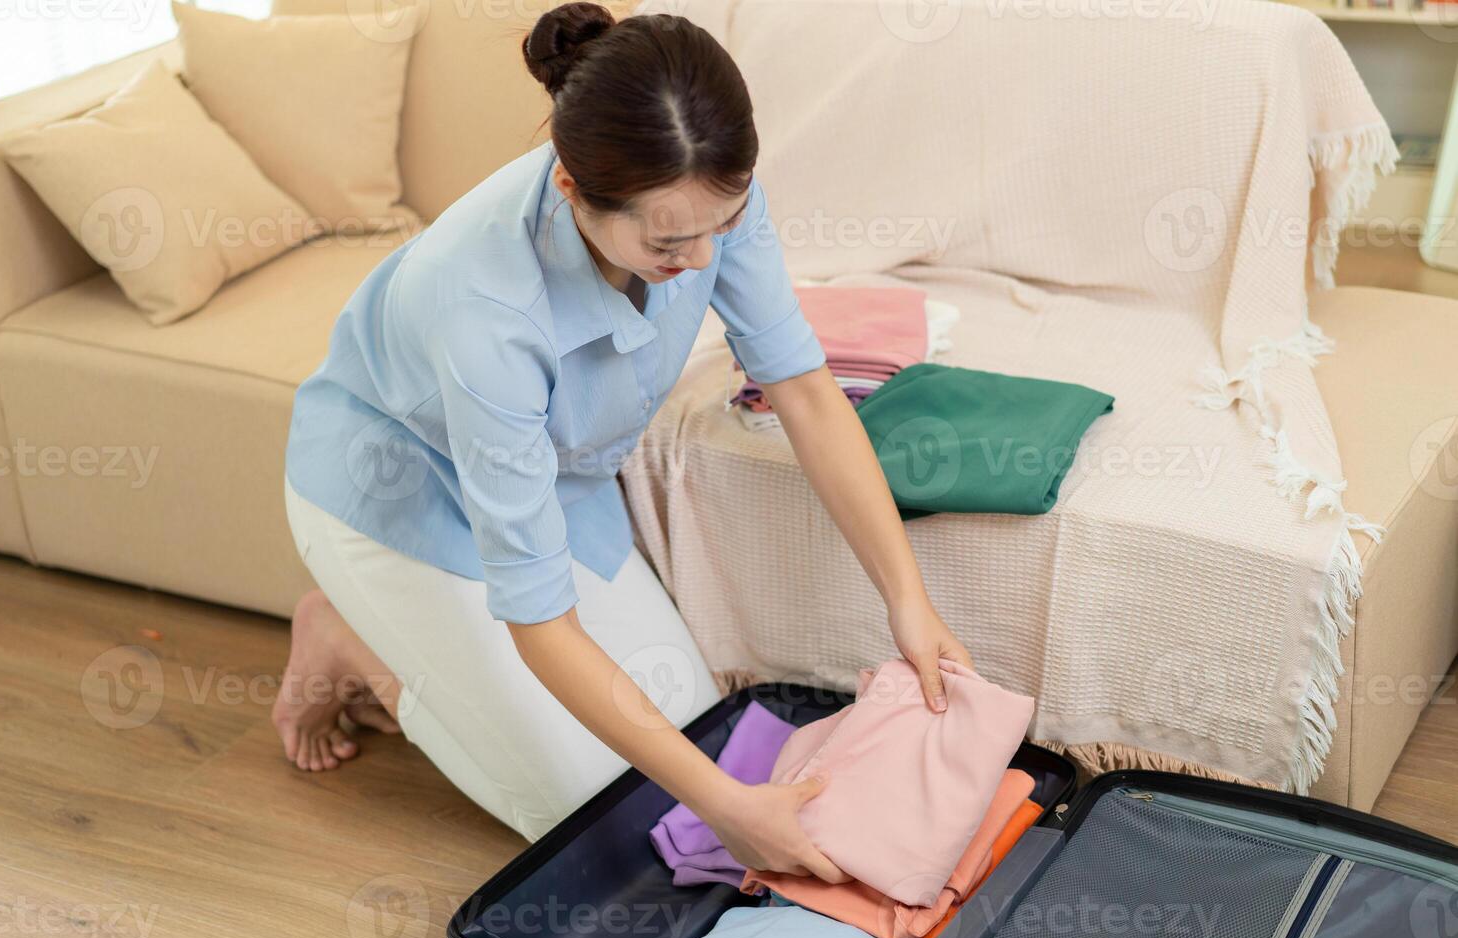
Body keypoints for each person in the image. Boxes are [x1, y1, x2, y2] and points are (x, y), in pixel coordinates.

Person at [275, 2, 972, 882]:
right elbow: (539, 622)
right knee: (594, 814)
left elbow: (803, 389)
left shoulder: (707, 192)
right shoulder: (486, 308)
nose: (704, 253)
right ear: (570, 190)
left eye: (722, 225)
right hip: (398, 489)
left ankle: (374, 639)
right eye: (670, 241)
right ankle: (352, 643)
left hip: (553, 477)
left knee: (686, 736)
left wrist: (906, 598)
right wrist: (728, 808)